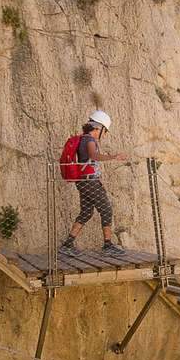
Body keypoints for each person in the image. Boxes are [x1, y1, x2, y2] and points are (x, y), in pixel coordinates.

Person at [60, 110, 128, 256]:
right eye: (105, 131)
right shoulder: (90, 140)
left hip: (82, 181)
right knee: (106, 210)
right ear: (98, 128)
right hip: (90, 182)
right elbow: (93, 155)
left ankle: (67, 245)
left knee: (86, 212)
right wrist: (114, 157)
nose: (104, 134)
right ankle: (107, 246)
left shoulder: (82, 138)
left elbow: (87, 161)